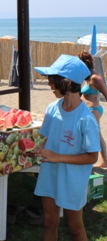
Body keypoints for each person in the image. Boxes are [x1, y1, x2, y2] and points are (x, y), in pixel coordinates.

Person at [34, 54, 100, 241]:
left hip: (72, 180)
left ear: (68, 83)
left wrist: (57, 157)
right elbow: (47, 137)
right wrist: (39, 148)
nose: (49, 85)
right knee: (49, 222)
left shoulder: (86, 120)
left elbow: (92, 157)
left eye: (53, 80)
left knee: (75, 227)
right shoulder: (52, 109)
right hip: (50, 174)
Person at [78, 51, 107, 168]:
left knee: (96, 134)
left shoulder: (95, 78)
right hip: (86, 110)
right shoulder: (86, 77)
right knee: (92, 134)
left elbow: (106, 93)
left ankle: (105, 160)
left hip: (93, 110)